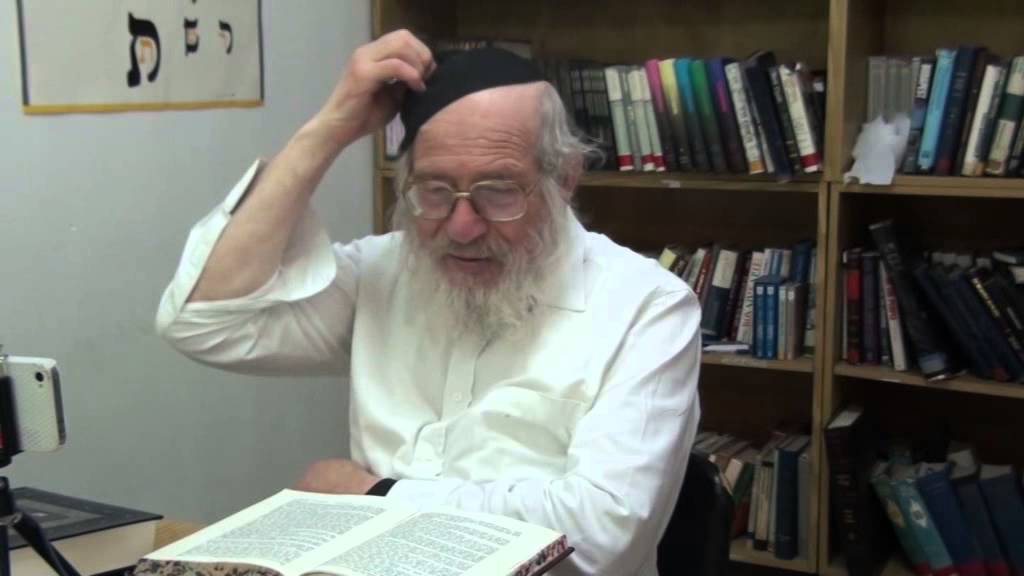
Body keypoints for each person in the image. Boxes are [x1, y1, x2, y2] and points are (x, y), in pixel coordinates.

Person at [156, 30, 701, 575]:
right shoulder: (383, 271)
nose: (461, 227)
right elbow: (203, 323)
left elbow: (602, 533)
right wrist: (331, 127)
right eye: (435, 191)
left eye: (498, 191)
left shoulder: (647, 307)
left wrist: (378, 495)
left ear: (564, 179)